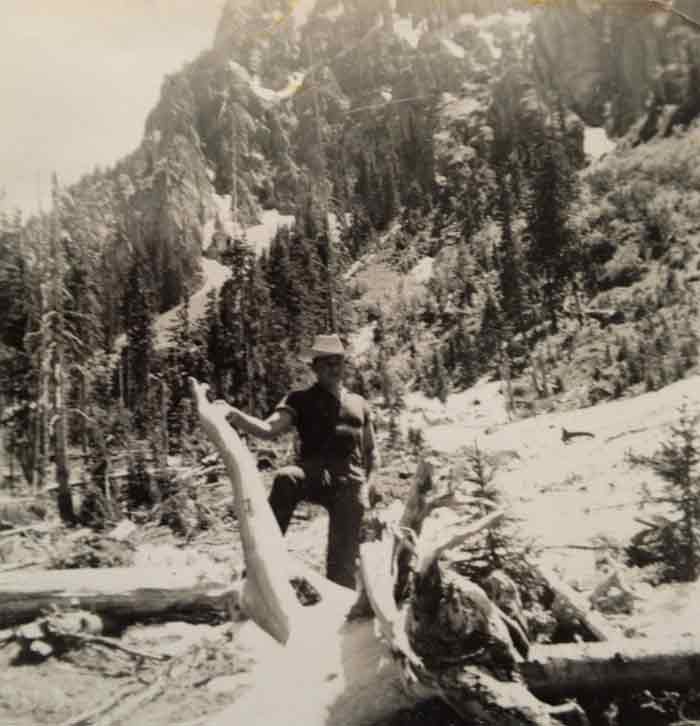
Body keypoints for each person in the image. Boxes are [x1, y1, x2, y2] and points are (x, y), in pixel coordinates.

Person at [224, 334, 380, 589]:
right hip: (313, 473)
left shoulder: (358, 403)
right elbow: (268, 428)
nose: (333, 368)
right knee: (286, 478)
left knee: (342, 571)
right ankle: (263, 562)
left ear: (344, 365)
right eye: (326, 363)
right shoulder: (299, 399)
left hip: (350, 482)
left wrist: (371, 484)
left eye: (337, 362)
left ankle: (339, 612)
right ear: (314, 367)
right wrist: (238, 416)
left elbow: (372, 451)